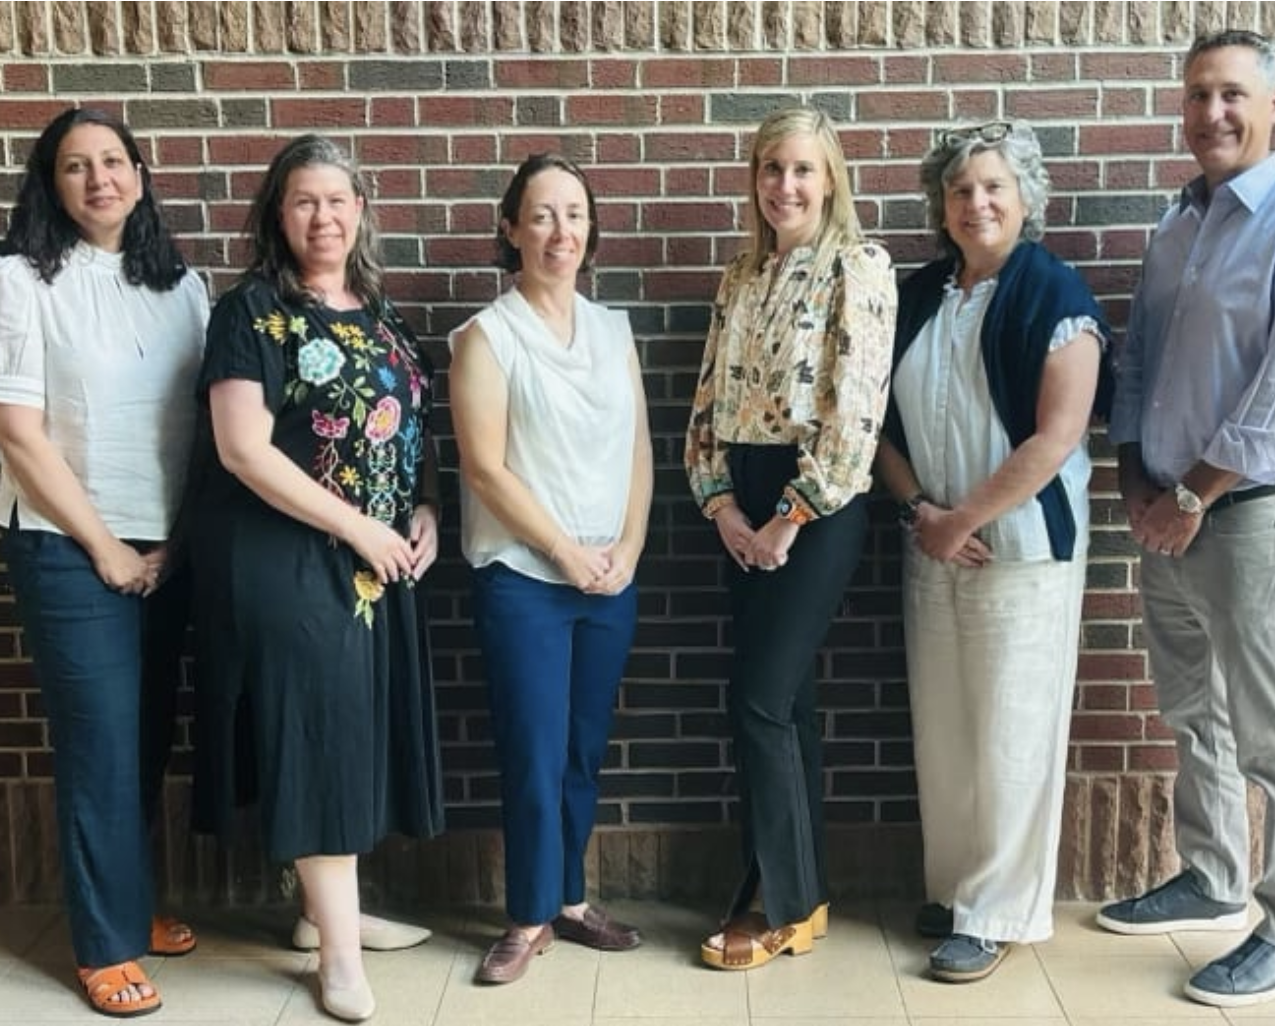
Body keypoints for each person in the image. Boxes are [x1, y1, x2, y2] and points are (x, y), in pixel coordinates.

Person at [1097, 30, 1275, 1008]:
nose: (1210, 113)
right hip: (1161, 511)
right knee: (1190, 714)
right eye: (1196, 95)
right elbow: (1137, 365)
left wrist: (1186, 498)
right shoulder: (1178, 223)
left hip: (1243, 518)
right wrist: (1133, 479)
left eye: (1231, 95)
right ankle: (1210, 878)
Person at [188, 134, 444, 1023]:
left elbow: (409, 432)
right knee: (319, 738)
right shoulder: (250, 312)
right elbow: (242, 450)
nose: (322, 216)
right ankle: (337, 958)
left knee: (348, 737)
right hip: (285, 558)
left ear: (360, 210)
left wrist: (423, 512)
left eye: (337, 199)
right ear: (277, 214)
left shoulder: (379, 313)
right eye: (303, 200)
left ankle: (320, 915)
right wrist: (360, 526)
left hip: (373, 560)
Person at [0, 106, 205, 1018]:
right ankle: (103, 943)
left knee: (147, 737)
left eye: (115, 162)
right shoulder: (19, 278)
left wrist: (169, 542)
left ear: (140, 177)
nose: (99, 179)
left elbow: (200, 427)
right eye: (76, 167)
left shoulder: (181, 285)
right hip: (67, 547)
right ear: (51, 183)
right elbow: (18, 436)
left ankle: (133, 904)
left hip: (165, 546)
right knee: (101, 744)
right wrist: (104, 547)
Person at [872, 119, 1109, 984]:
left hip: (1019, 550)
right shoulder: (920, 293)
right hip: (930, 539)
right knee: (946, 726)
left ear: (1026, 199)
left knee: (1012, 728)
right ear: (941, 203)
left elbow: (1056, 438)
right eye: (962, 189)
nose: (977, 203)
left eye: (994, 187)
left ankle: (1000, 908)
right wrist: (920, 512)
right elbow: (875, 423)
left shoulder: (1056, 295)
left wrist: (963, 518)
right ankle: (957, 889)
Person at [685, 107, 898, 972]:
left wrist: (787, 518)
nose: (786, 186)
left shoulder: (860, 267)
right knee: (789, 702)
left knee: (760, 700)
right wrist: (725, 506)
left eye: (803, 170)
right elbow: (706, 405)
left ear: (831, 178)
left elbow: (857, 407)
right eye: (772, 168)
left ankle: (774, 896)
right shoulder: (740, 275)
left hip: (819, 503)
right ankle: (802, 895)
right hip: (745, 500)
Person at [448, 153, 653, 985]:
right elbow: (486, 468)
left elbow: (639, 446)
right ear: (511, 230)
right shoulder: (487, 337)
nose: (559, 231)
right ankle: (526, 915)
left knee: (582, 748)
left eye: (573, 214)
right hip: (526, 581)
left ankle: (569, 898)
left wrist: (629, 547)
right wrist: (566, 552)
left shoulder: (613, 330)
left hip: (610, 579)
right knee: (533, 752)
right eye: (540, 215)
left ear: (590, 230)